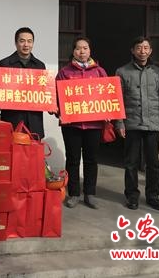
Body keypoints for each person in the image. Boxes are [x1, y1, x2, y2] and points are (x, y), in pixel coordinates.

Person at [115, 37, 159, 211]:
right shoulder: (122, 71)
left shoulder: (158, 72)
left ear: (150, 51)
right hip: (131, 124)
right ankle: (132, 196)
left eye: (146, 48)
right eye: (139, 48)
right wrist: (119, 123)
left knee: (153, 163)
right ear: (133, 50)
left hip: (153, 124)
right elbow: (117, 100)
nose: (142, 51)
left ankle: (153, 196)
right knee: (131, 162)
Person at [56, 37, 107, 209]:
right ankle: (74, 193)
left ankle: (90, 193)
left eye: (85, 48)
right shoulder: (64, 72)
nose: (82, 51)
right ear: (73, 51)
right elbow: (56, 96)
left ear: (90, 51)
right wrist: (58, 111)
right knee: (73, 159)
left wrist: (108, 112)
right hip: (72, 125)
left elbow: (107, 95)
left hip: (93, 124)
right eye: (78, 48)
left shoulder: (99, 72)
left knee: (91, 159)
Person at [0, 27, 46, 137]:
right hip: (12, 119)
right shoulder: (5, 64)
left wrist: (51, 106)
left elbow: (44, 91)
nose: (26, 45)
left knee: (34, 148)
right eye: (22, 41)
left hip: (34, 121)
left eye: (29, 41)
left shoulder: (40, 65)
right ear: (16, 43)